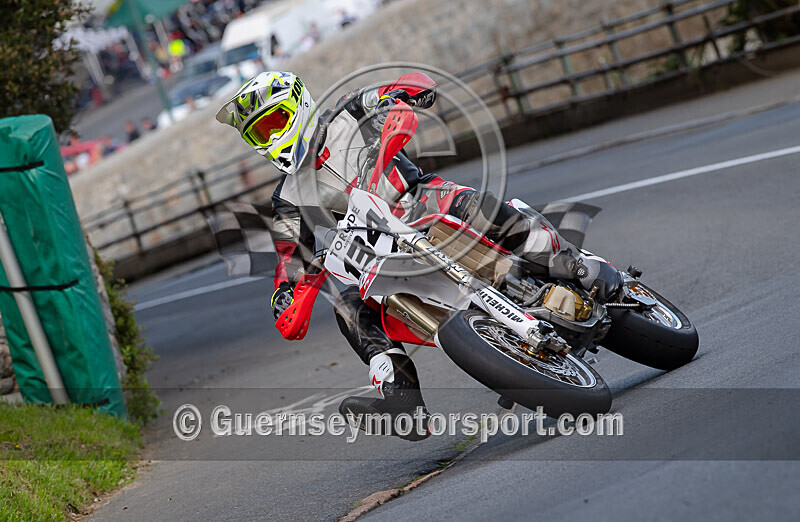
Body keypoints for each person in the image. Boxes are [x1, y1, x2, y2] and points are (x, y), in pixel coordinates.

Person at [216, 71, 623, 440]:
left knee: (475, 206)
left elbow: (400, 90)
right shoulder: (287, 197)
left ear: (298, 107)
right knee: (346, 304)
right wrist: (286, 295)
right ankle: (400, 397)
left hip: (422, 202)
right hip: (375, 245)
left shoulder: (350, 111)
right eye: (259, 134)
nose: (270, 138)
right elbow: (290, 253)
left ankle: (579, 266)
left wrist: (405, 97)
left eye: (274, 123)